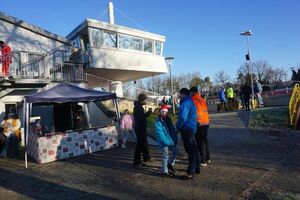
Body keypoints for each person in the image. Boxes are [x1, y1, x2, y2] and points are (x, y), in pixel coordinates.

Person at [176, 88, 199, 180]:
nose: (179, 96)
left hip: (186, 128)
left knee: (190, 150)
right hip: (192, 127)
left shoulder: (185, 103)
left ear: (182, 94)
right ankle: (197, 167)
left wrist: (178, 126)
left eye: (180, 94)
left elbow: (182, 117)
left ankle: (190, 172)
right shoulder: (191, 101)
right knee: (194, 148)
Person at [190, 86, 211, 167]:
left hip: (200, 124)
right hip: (206, 122)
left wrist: (197, 122)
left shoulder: (194, 100)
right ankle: (207, 157)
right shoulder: (201, 99)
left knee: (200, 143)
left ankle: (203, 160)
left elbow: (198, 113)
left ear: (192, 92)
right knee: (205, 141)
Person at [154, 104, 177, 177]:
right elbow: (160, 134)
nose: (164, 113)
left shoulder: (169, 119)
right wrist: (167, 142)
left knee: (175, 152)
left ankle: (170, 164)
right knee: (165, 156)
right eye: (162, 112)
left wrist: (175, 138)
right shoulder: (158, 121)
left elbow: (172, 130)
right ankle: (164, 172)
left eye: (165, 112)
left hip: (171, 140)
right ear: (160, 112)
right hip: (163, 142)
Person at [133, 93, 153, 167]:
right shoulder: (138, 107)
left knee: (144, 144)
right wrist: (149, 112)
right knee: (140, 145)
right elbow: (142, 117)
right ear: (142, 100)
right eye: (145, 99)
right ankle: (136, 162)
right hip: (139, 128)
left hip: (141, 128)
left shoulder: (139, 106)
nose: (146, 101)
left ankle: (146, 158)